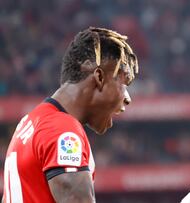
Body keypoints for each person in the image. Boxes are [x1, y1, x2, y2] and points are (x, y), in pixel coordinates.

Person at [1, 27, 138, 202]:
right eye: (124, 83)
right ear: (99, 77)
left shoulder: (30, 122)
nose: (127, 99)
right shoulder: (62, 130)